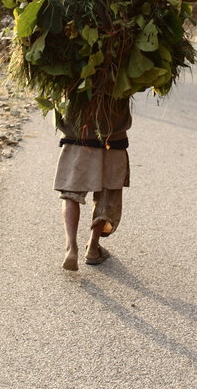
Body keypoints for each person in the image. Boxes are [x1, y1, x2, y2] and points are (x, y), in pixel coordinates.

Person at [53, 97, 132, 271]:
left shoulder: (68, 70)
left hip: (76, 131)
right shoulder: (119, 69)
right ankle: (93, 248)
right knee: (107, 194)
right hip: (113, 134)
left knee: (71, 192)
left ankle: (71, 247)